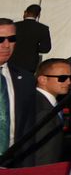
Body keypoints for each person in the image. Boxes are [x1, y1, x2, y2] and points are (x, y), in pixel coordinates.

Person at [20, 59, 71, 166]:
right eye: (62, 78)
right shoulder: (42, 109)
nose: (69, 82)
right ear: (43, 79)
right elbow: (45, 150)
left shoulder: (45, 102)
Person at [0, 20, 31, 164]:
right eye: (0, 39)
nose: (6, 45)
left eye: (11, 39)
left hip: (13, 162)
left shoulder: (24, 79)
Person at [6, 9, 47, 79]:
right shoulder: (43, 28)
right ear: (38, 15)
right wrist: (34, 48)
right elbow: (46, 48)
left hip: (12, 60)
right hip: (30, 64)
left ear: (25, 12)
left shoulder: (15, 25)